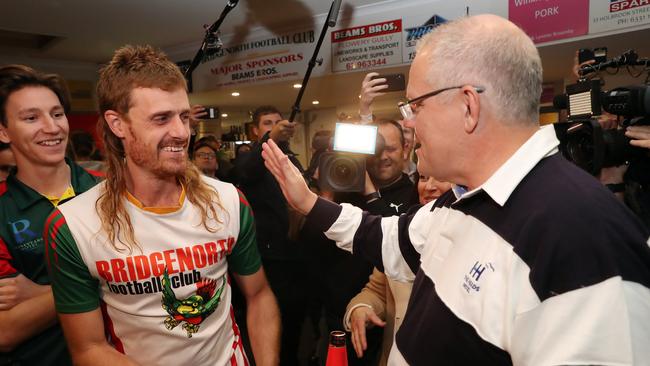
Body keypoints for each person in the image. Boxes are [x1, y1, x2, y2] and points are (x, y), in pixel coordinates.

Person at [262, 14, 650, 365]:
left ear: (468, 106)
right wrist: (309, 202)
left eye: (415, 105)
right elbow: (383, 237)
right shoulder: (460, 200)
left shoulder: (583, 238)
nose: (409, 124)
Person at [44, 45, 280, 366]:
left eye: (184, 116)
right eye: (161, 119)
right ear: (117, 124)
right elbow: (88, 348)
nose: (182, 133)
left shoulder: (227, 201)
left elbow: (259, 295)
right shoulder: (74, 225)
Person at [0, 64, 101, 365]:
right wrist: (111, 274)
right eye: (31, 118)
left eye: (57, 114)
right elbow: (6, 331)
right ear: (3, 131)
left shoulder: (109, 193)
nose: (53, 127)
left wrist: (43, 293)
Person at [344, 173, 451, 365]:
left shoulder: (473, 239)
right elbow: (377, 291)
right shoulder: (401, 238)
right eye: (424, 178)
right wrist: (361, 308)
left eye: (441, 178)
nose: (429, 187)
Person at [234, 105, 309, 366]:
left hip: (297, 256)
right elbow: (245, 171)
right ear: (256, 130)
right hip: (270, 258)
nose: (277, 126)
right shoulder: (250, 159)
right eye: (268, 123)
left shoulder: (292, 159)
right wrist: (272, 139)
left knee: (295, 323)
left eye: (279, 122)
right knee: (272, 322)